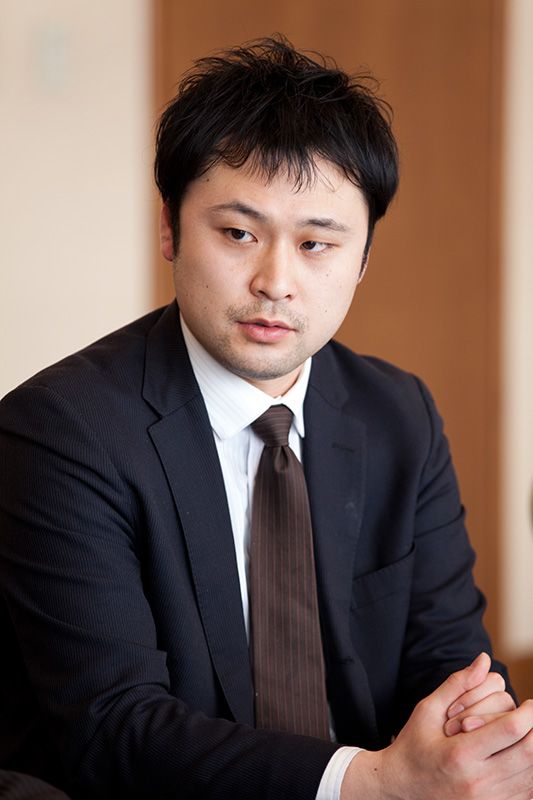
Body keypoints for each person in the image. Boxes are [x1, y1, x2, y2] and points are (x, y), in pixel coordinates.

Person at [0, 36, 531, 800]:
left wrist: (477, 738)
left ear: (362, 258)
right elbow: (114, 728)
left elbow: (450, 664)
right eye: (238, 234)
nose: (275, 281)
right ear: (169, 228)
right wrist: (369, 783)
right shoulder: (62, 431)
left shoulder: (398, 415)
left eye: (316, 243)